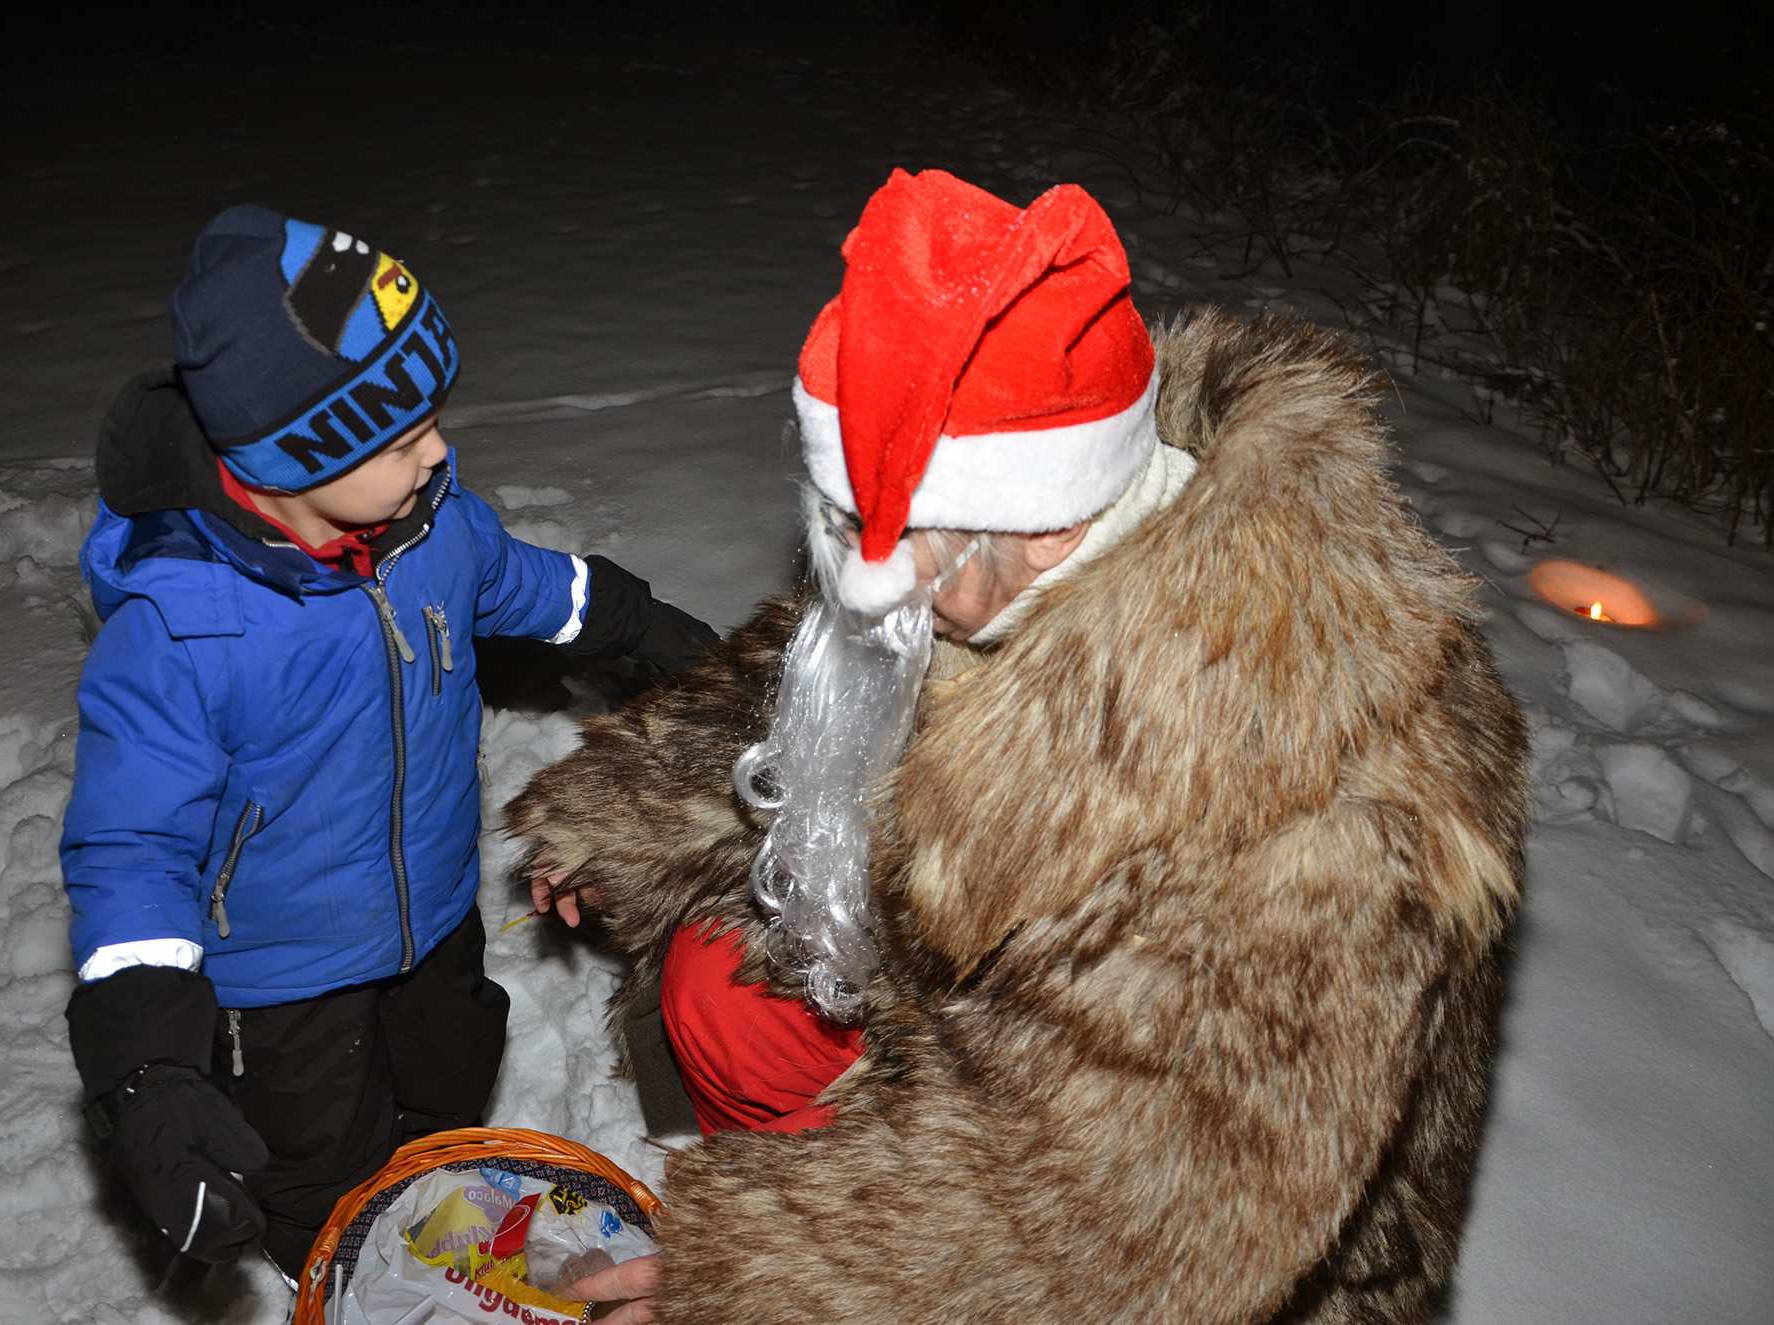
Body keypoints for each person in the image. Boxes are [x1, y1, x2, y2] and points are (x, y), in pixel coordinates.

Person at [508, 169, 1530, 1325]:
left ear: (1046, 518)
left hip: (1199, 1229)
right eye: (843, 527)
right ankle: (825, 1168)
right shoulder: (999, 561)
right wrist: (614, 810)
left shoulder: (1307, 809)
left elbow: (1129, 1216)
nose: (868, 577)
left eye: (899, 545)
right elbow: (806, 694)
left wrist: (760, 1278)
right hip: (989, 1021)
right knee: (718, 985)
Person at [60, 204, 717, 1278]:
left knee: (450, 1074)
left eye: (433, 419)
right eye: (403, 435)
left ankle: (436, 1226)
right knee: (318, 1163)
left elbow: (522, 582)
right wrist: (144, 1064)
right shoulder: (182, 629)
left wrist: (641, 626)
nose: (438, 449)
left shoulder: (428, 523)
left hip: (430, 913)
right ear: (290, 457)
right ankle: (354, 1276)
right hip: (280, 975)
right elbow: (127, 848)